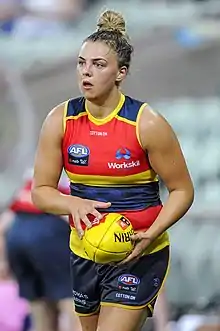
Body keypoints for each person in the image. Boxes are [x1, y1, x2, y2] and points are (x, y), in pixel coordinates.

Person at [31, 9, 194, 331]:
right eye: (81, 63)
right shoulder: (60, 120)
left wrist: (152, 233)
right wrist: (72, 203)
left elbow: (182, 190)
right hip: (85, 251)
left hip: (138, 253)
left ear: (121, 72)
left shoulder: (146, 123)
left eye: (98, 65)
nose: (86, 72)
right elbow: (41, 192)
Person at [4, 169, 81, 331]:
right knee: (73, 303)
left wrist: (3, 260)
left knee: (39, 308)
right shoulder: (64, 187)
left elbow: (3, 225)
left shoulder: (25, 193)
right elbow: (73, 219)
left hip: (16, 240)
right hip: (48, 238)